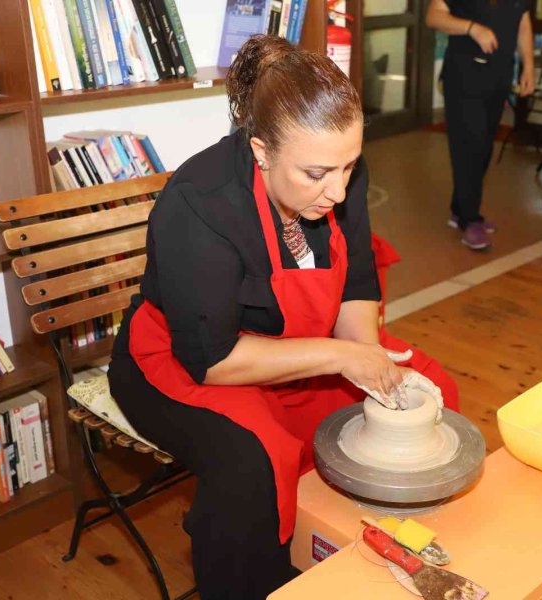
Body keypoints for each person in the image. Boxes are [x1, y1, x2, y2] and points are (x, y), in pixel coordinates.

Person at [106, 35, 459, 599]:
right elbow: (212, 359)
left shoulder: (338, 172)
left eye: (349, 166)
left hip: (306, 345)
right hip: (186, 358)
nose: (338, 190)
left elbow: (357, 279)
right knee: (253, 463)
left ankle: (353, 560)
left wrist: (366, 359)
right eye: (317, 174)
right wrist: (342, 357)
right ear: (262, 152)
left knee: (430, 389)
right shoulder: (201, 202)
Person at [426, 0, 535, 251]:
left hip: (499, 77)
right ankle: (470, 220)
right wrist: (472, 28)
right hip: (464, 76)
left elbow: (523, 24)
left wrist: (528, 66)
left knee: (484, 148)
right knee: (470, 146)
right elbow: (433, 17)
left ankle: (460, 209)